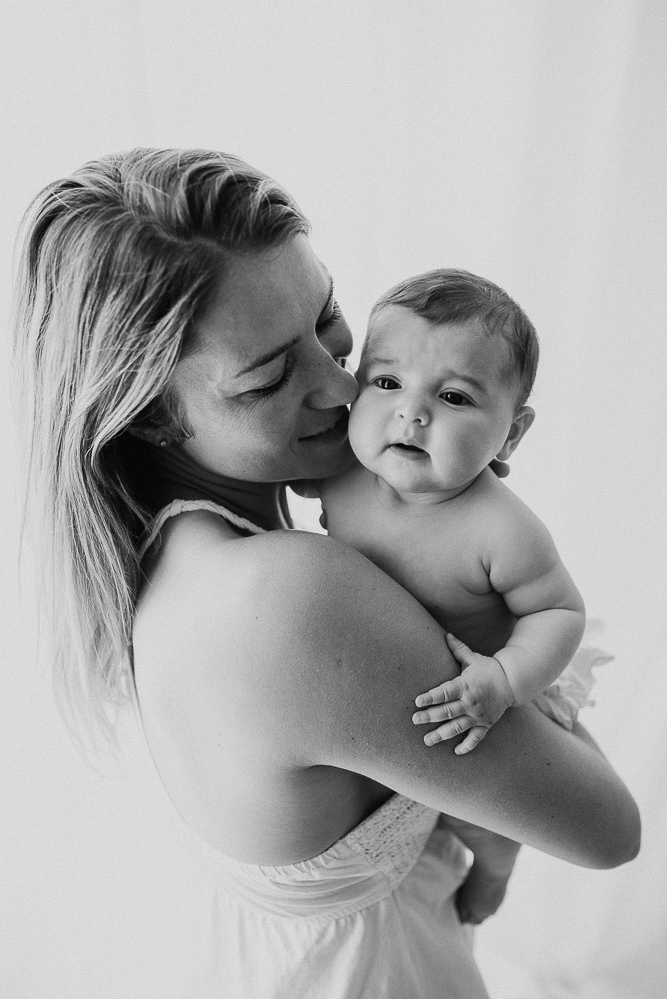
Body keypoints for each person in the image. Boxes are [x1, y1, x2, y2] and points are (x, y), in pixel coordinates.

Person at [13, 147, 640, 999]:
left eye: (331, 317)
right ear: (151, 417)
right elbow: (607, 829)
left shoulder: (176, 550)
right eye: (270, 374)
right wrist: (482, 605)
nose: (343, 387)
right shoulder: (290, 598)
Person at [313, 268, 598, 924]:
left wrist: (503, 679)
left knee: (478, 809)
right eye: (385, 382)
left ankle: (496, 864)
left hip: (480, 693)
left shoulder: (499, 529)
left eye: (454, 397)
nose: (411, 412)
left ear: (511, 434)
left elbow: (558, 611)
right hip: (389, 688)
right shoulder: (339, 474)